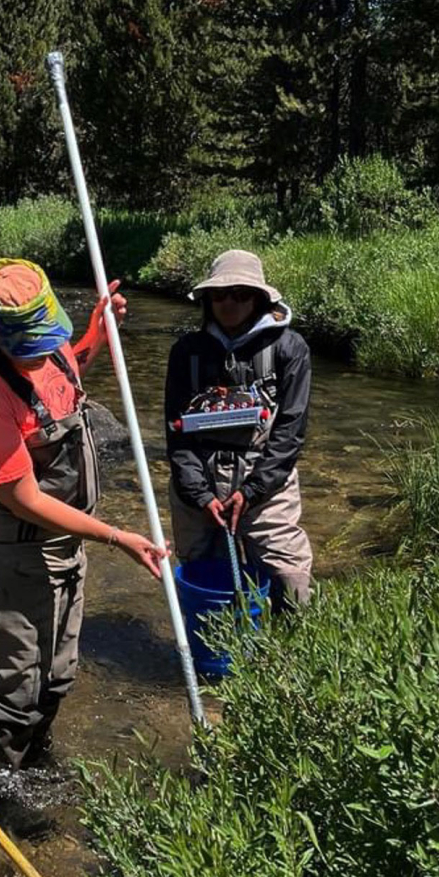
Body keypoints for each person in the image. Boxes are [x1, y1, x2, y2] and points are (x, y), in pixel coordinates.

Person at [0, 258, 168, 771]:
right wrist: (117, 537)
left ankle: (35, 758)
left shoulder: (50, 344)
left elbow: (67, 375)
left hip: (61, 539)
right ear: (1, 334)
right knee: (16, 685)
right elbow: (23, 499)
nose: (44, 351)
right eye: (31, 345)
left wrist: (99, 329)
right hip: (7, 549)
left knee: (59, 672)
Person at [164, 249, 313, 608]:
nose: (229, 302)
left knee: (287, 575)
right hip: (199, 481)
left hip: (266, 480)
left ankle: (291, 653)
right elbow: (176, 433)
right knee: (206, 576)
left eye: (241, 294)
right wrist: (199, 494)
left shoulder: (290, 348)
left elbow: (290, 431)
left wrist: (253, 490)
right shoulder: (187, 351)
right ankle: (218, 658)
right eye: (220, 294)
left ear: (260, 298)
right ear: (208, 299)